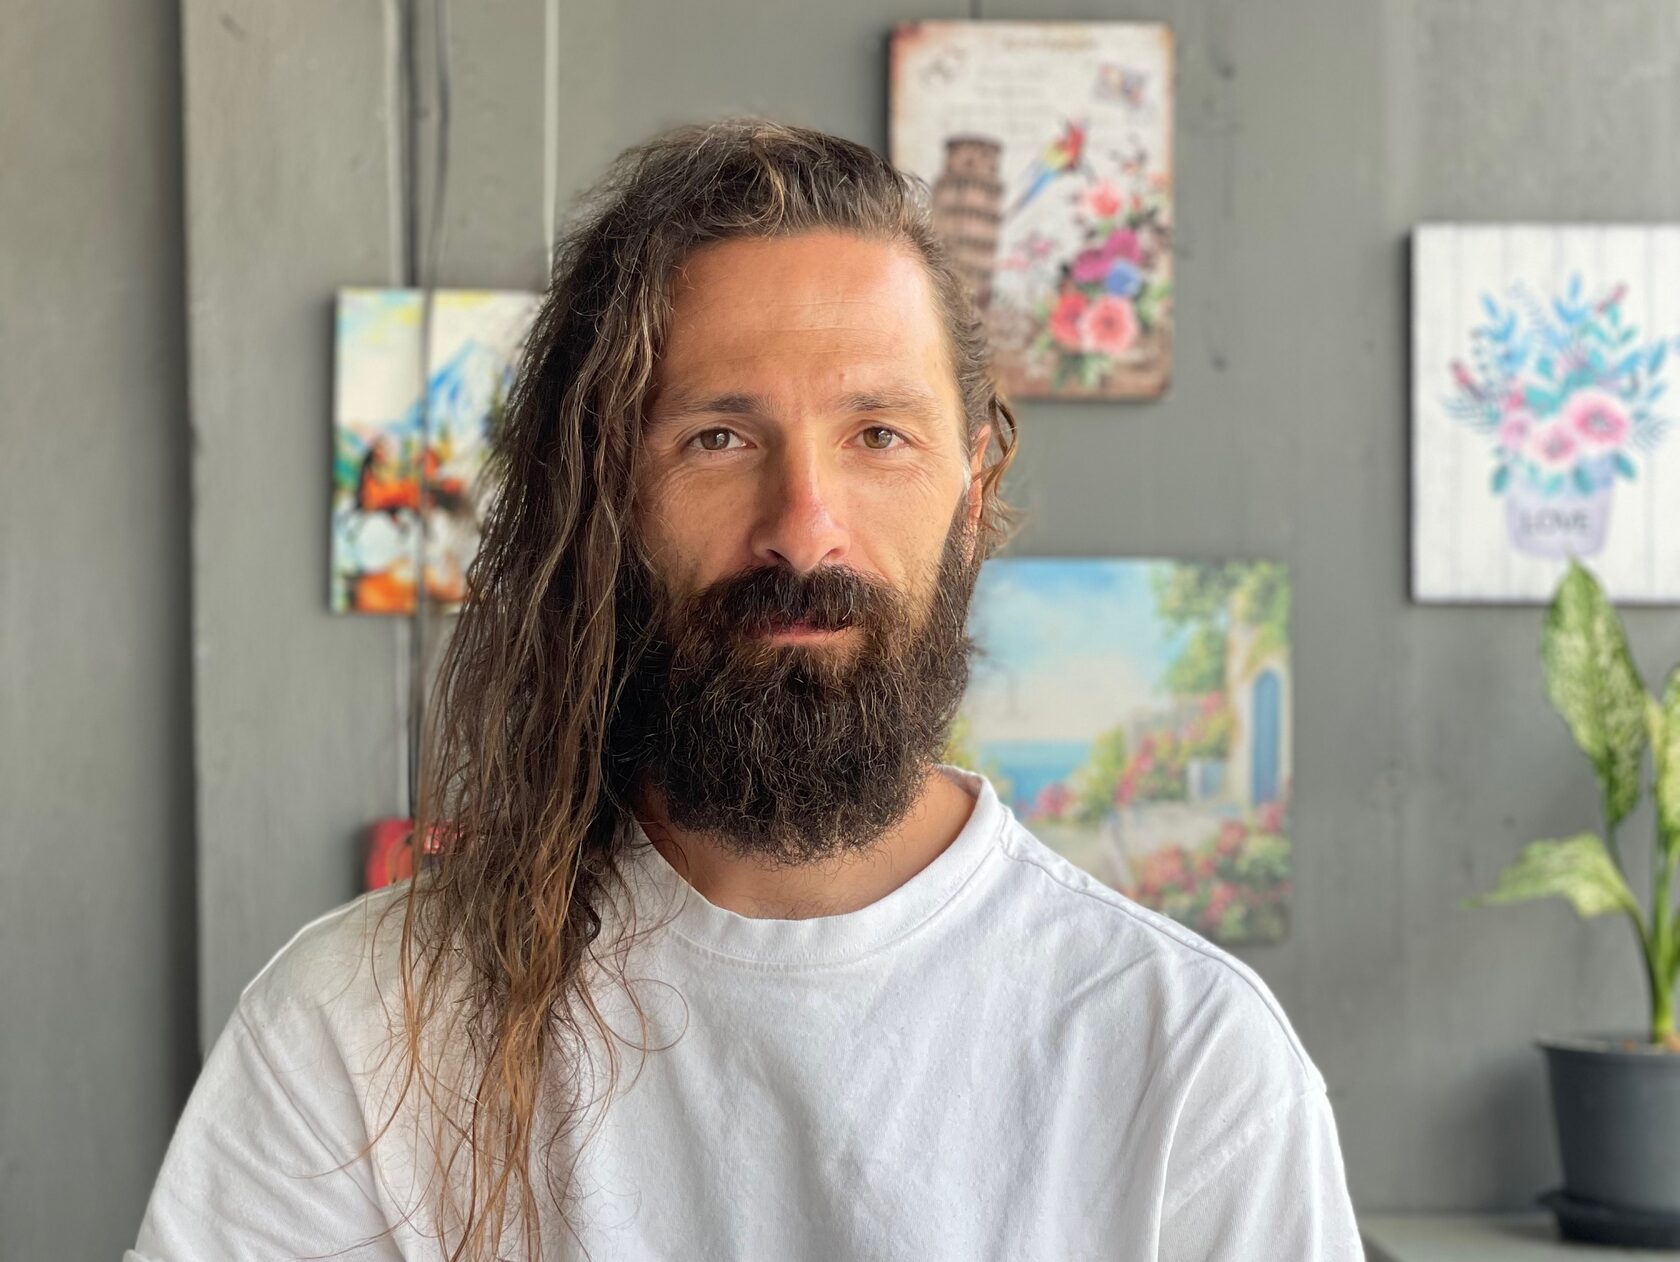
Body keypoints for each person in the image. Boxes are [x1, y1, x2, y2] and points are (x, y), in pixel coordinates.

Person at [128, 118, 1362, 1261]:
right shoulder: (361, 1027)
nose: (804, 528)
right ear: (605, 493)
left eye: (879, 434)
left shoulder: (1189, 1065)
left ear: (974, 488)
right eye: (718, 438)